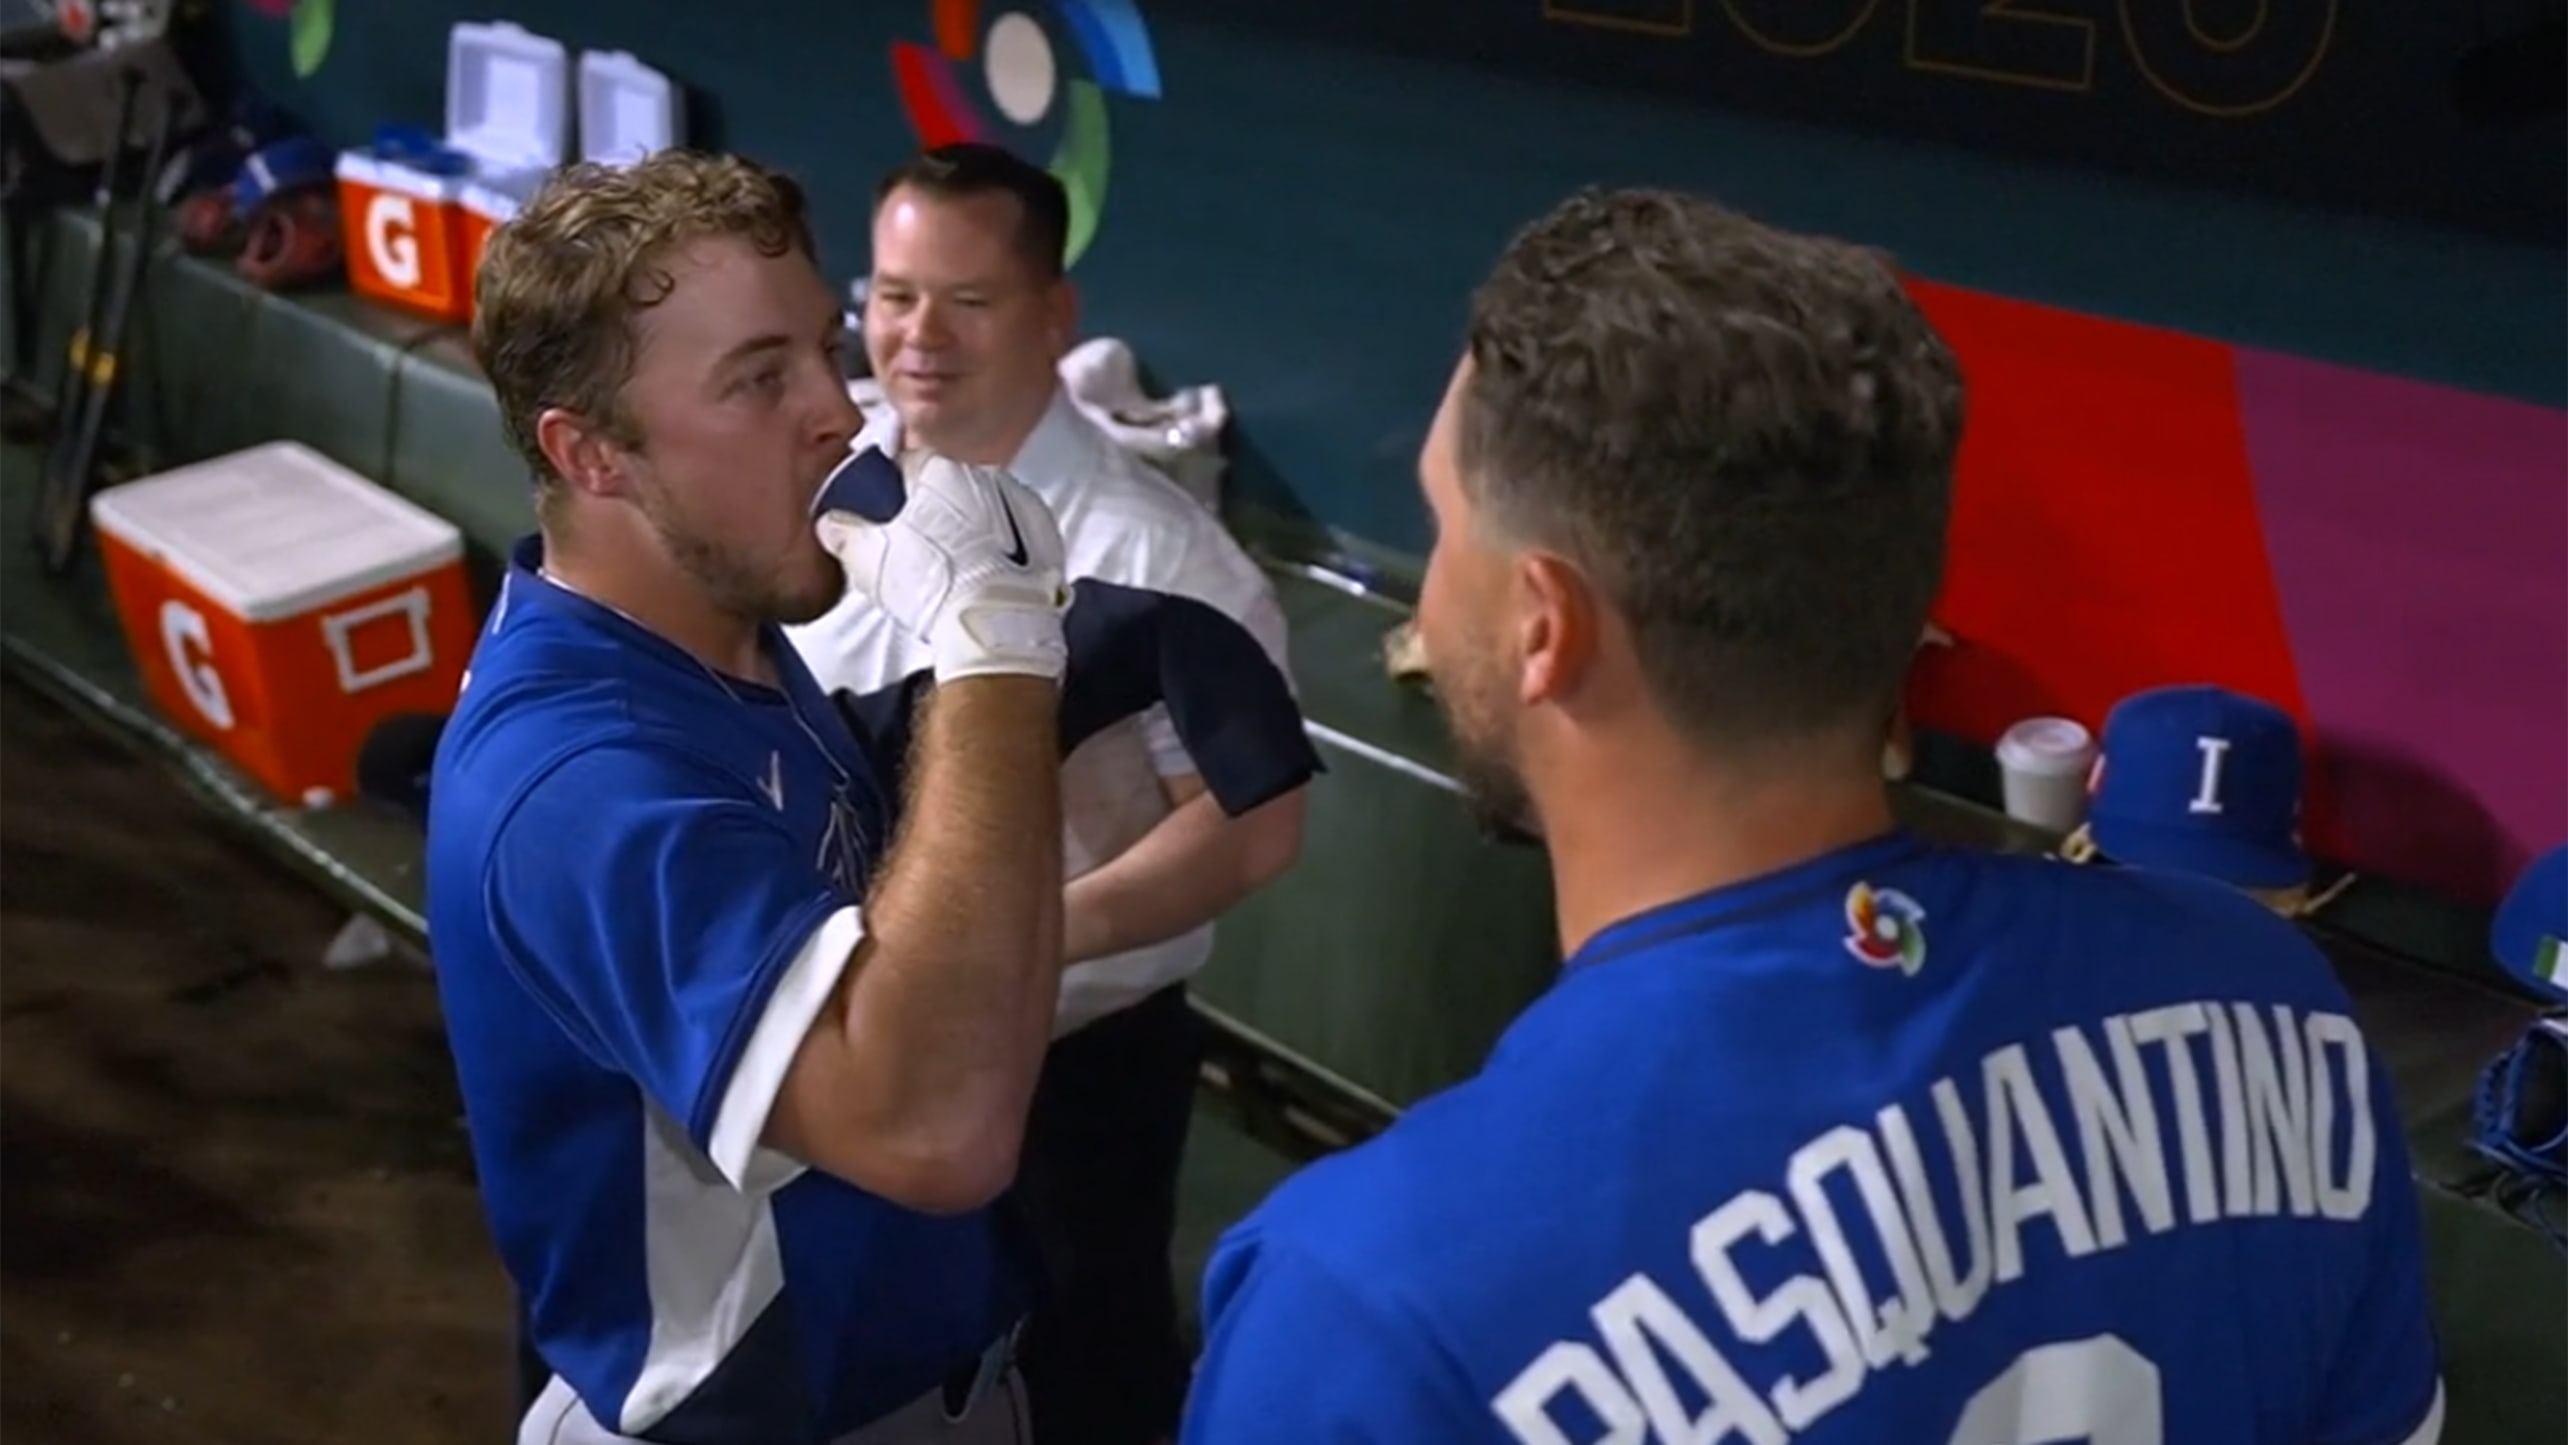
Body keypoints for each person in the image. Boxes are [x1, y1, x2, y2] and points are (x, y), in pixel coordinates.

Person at [1180, 187, 2447, 1444]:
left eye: (1446, 520)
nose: (1433, 576)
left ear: (1541, 627)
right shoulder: (2272, 1004)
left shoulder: (1371, 1313)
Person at [426, 148, 1078, 1445]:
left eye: (823, 350)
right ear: (591, 453)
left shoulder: (719, 634)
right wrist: (995, 662)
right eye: (756, 379)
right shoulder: (576, 781)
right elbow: (935, 1128)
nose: (839, 411)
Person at [787, 142, 1306, 1445]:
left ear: (1053, 313)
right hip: (835, 1024)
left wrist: (1028, 935)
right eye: (895, 296)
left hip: (1068, 1067)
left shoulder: (1160, 556)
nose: (919, 337)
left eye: (968, 302)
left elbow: (1255, 827)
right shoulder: (828, 488)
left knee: (1084, 1374)